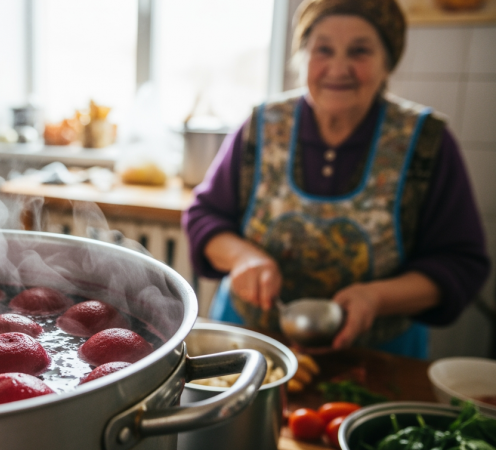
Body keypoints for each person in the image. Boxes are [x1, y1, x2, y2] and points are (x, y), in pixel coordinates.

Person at [183, 0, 490, 359]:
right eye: (323, 50)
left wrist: (375, 298)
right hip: (250, 347)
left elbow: (461, 262)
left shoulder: (426, 141)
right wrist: (242, 257)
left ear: (387, 63)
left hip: (376, 359)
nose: (338, 68)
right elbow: (204, 216)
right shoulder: (261, 125)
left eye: (359, 51)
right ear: (302, 58)